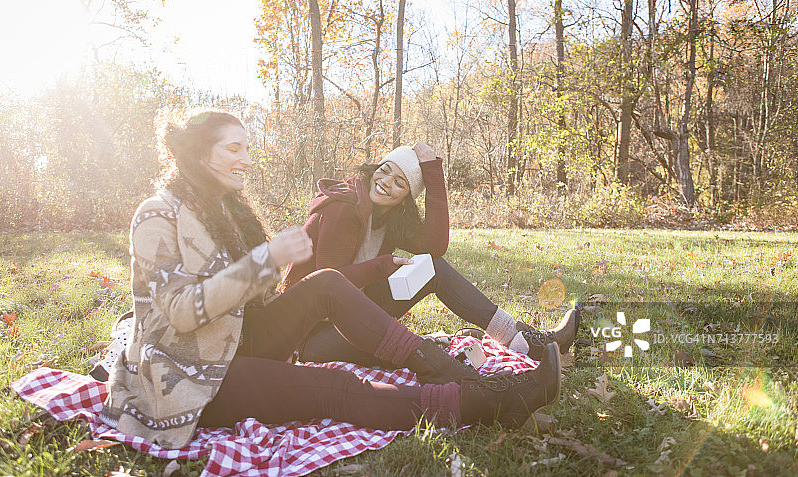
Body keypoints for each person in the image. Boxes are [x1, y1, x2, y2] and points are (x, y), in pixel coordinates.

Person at [99, 111, 561, 450]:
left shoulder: (229, 213)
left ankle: (452, 371)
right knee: (337, 390)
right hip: (190, 372)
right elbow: (181, 311)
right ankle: (486, 403)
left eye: (247, 149)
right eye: (233, 148)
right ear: (200, 152)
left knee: (326, 285)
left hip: (240, 338)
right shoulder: (158, 214)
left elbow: (432, 248)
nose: (246, 159)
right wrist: (267, 261)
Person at [283, 142, 580, 366]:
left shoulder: (388, 217)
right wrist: (382, 266)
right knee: (418, 352)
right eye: (384, 170)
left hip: (353, 315)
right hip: (313, 336)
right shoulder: (343, 208)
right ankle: (445, 350)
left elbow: (435, 248)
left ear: (405, 199)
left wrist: (433, 173)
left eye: (400, 182)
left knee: (433, 268)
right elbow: (327, 283)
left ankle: (519, 339)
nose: (385, 182)